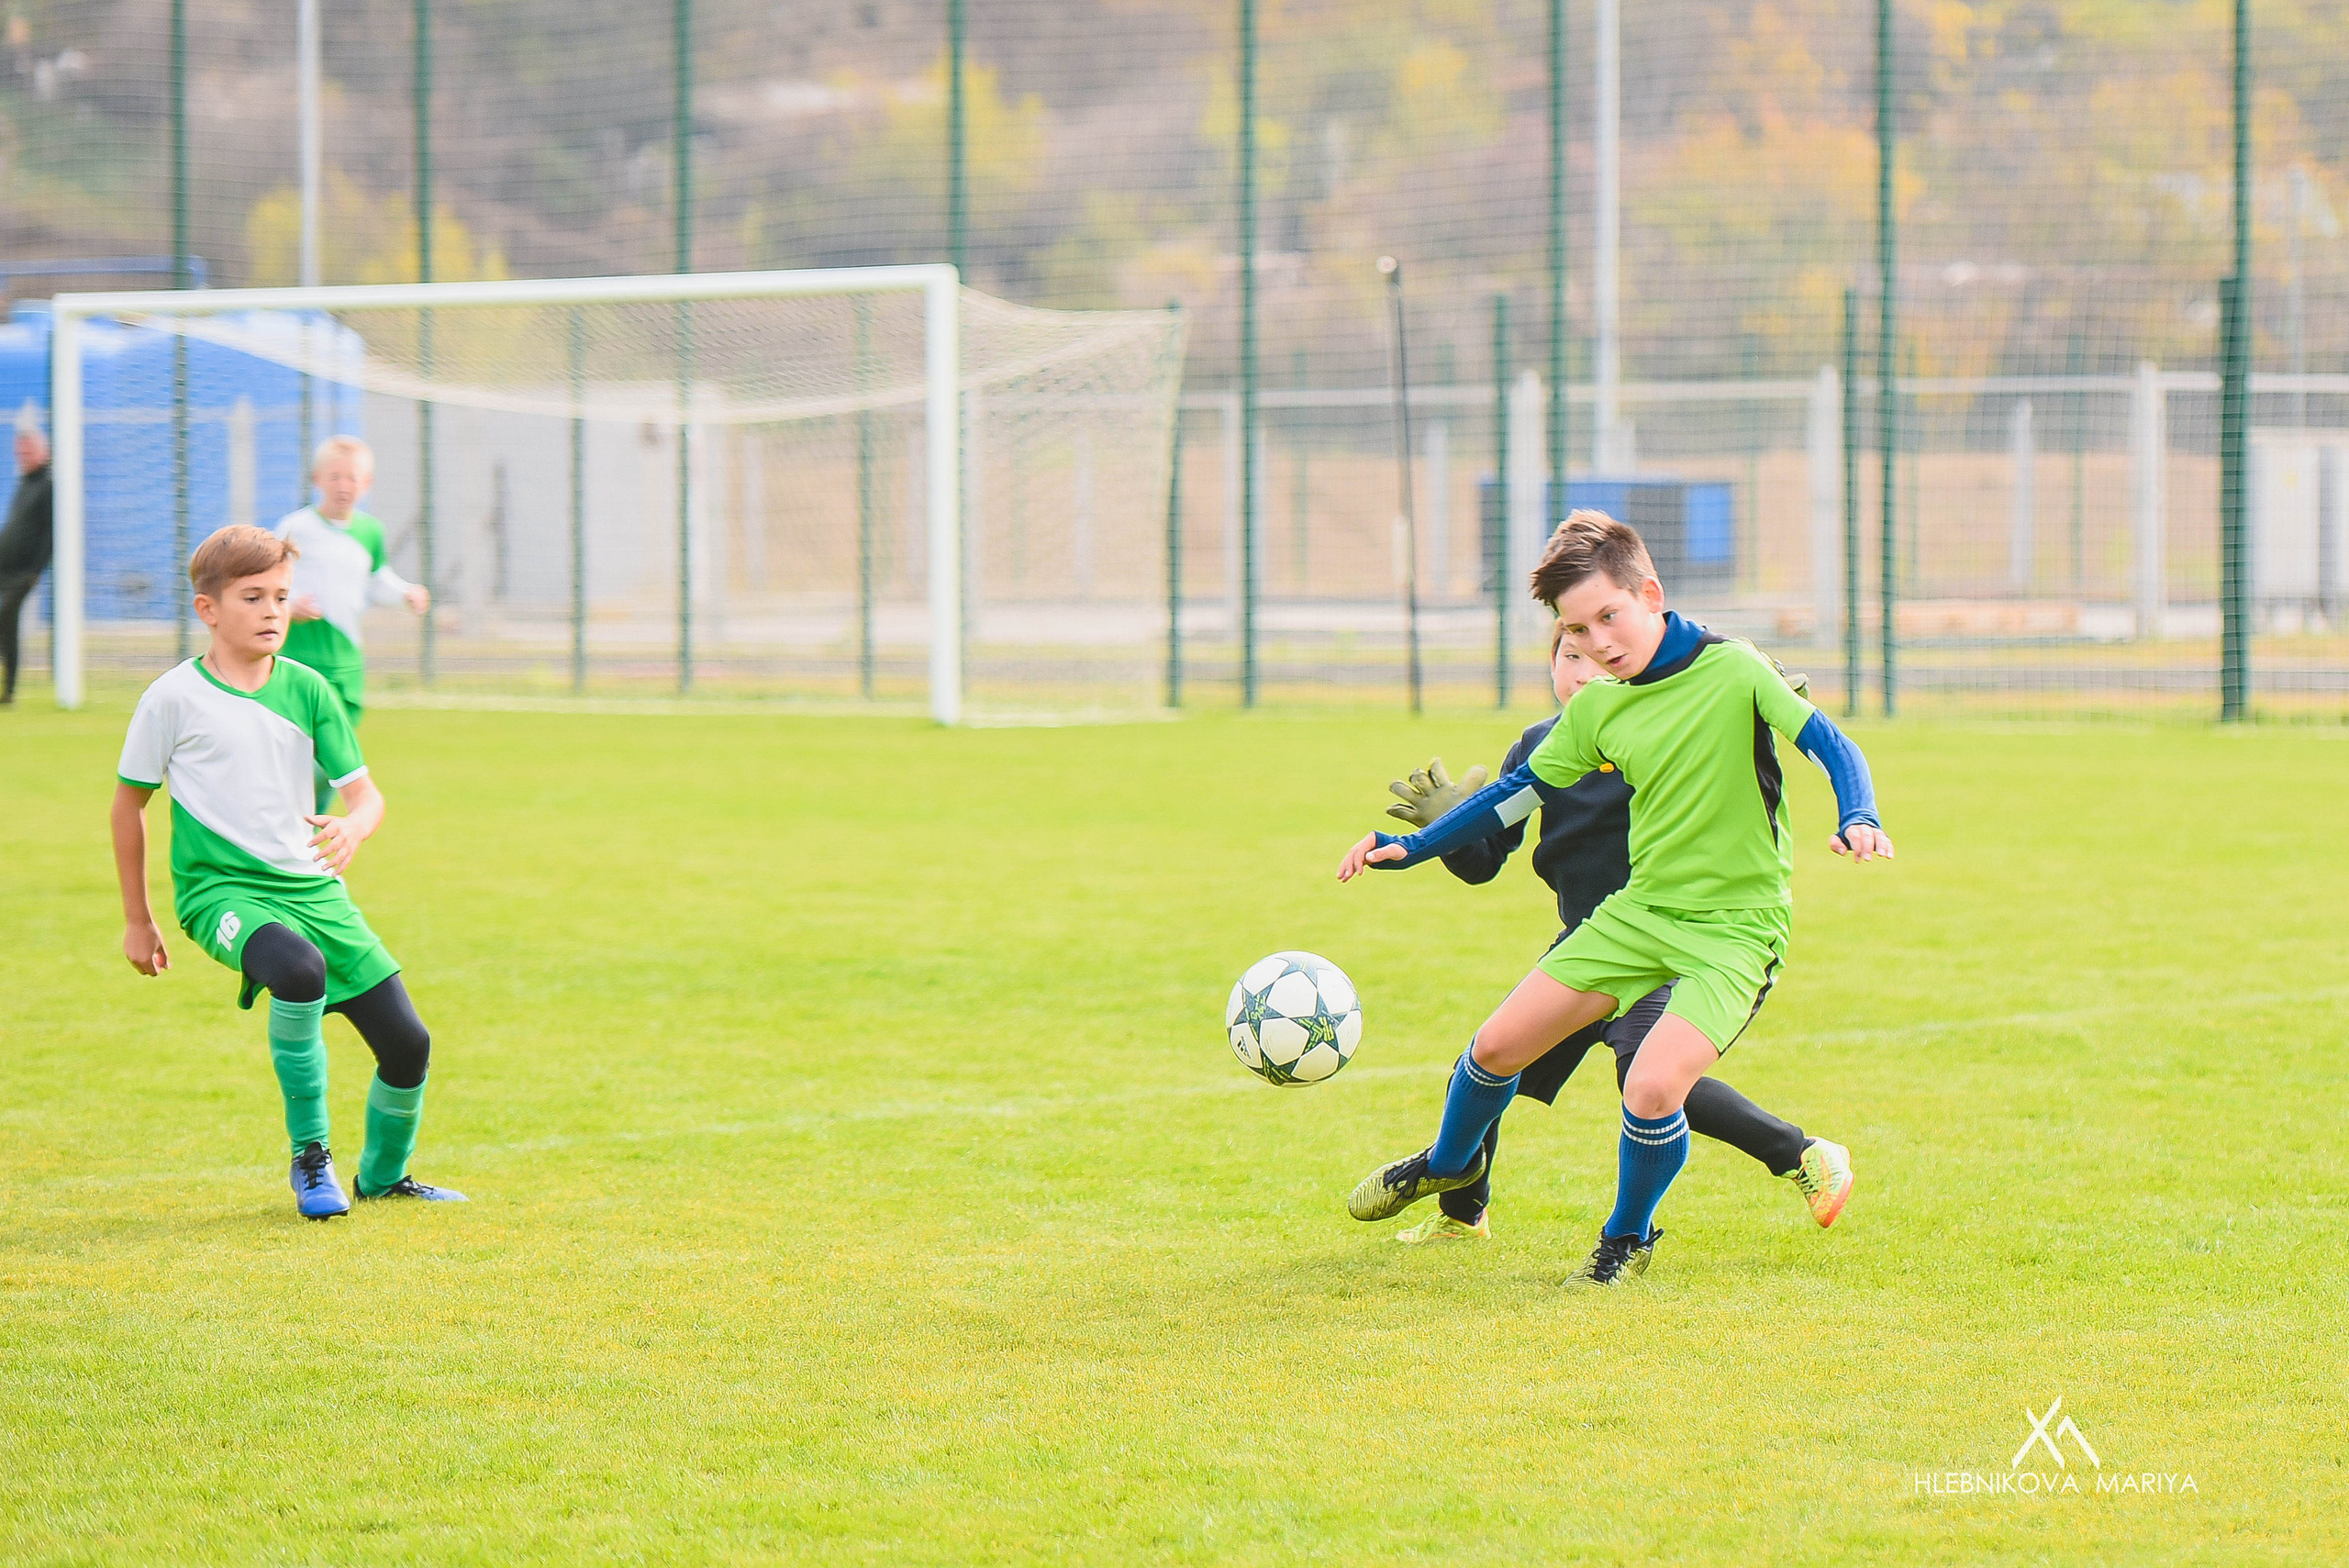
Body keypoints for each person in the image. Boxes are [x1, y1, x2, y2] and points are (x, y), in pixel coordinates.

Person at [1337, 510, 1893, 1287]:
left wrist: (1858, 814)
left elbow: (1831, 743)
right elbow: (1512, 796)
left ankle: (1625, 1237)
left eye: (1608, 616)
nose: (1597, 643)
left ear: (1650, 594)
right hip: (1637, 914)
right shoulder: (1599, 709)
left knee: (1653, 1084)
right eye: (1576, 630)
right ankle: (1452, 1172)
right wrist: (1415, 844)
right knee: (1494, 1047)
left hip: (1736, 930)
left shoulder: (1735, 668)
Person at [1374, 623, 1853, 1246]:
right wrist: (1447, 833)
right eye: (1569, 656)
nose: (1583, 671)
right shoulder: (1540, 746)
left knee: (1648, 1083)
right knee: (1489, 1060)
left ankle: (1799, 1153)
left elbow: (1722, 747)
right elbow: (1485, 861)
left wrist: (1748, 719)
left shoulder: (1660, 730)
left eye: (1596, 657)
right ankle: (1464, 1214)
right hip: (1587, 942)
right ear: (1551, 666)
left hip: (1662, 942)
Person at [112, 524, 463, 1219]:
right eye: (253, 597)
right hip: (222, 892)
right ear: (209, 609)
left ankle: (384, 1177)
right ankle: (311, 1158)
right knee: (298, 970)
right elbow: (128, 806)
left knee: (408, 1043)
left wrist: (354, 825)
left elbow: (366, 796)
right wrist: (137, 918)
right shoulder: (172, 698)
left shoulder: (309, 689)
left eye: (280, 595)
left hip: (313, 889)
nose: (273, 610)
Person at [272, 436, 429, 810]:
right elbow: (269, 578)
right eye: (335, 477)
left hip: (346, 661)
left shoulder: (370, 531)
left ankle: (309, 826)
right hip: (301, 656)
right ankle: (288, 824)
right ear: (317, 479)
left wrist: (406, 593)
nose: (344, 486)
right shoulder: (296, 527)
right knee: (301, 754)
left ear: (366, 483)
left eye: (352, 478)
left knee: (335, 759)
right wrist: (289, 604)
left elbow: (377, 580)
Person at [1, 418, 52, 706]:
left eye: (28, 451)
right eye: (20, 452)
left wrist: (35, 570)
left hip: (23, 572)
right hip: (4, 568)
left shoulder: (48, 485)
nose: (23, 456)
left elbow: (49, 533)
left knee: (6, 617)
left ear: (43, 451)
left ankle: (8, 690)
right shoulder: (25, 484)